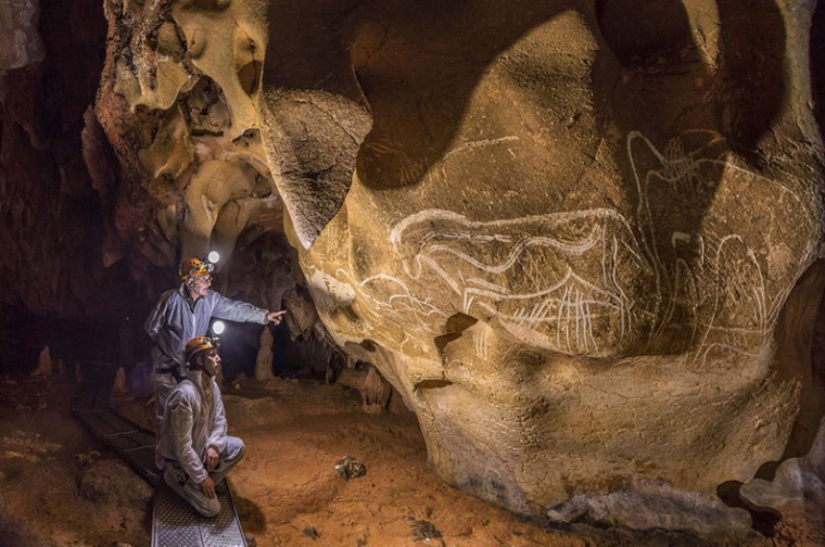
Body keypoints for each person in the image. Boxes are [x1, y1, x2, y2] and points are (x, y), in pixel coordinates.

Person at [145, 256, 285, 458]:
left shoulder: (210, 299)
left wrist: (264, 316)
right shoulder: (170, 300)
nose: (209, 282)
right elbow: (151, 328)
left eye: (209, 278)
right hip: (168, 368)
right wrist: (172, 350)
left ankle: (189, 460)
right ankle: (164, 461)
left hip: (192, 366)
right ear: (189, 280)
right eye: (204, 279)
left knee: (193, 412)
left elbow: (234, 309)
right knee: (166, 414)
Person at [158, 336, 243, 517]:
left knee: (237, 447)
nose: (218, 358)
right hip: (178, 462)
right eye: (212, 355)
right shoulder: (185, 395)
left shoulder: (212, 387)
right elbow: (181, 448)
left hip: (200, 449)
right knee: (212, 509)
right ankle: (175, 480)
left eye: (217, 354)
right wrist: (203, 477)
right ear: (199, 361)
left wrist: (213, 446)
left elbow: (220, 421)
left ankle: (199, 483)